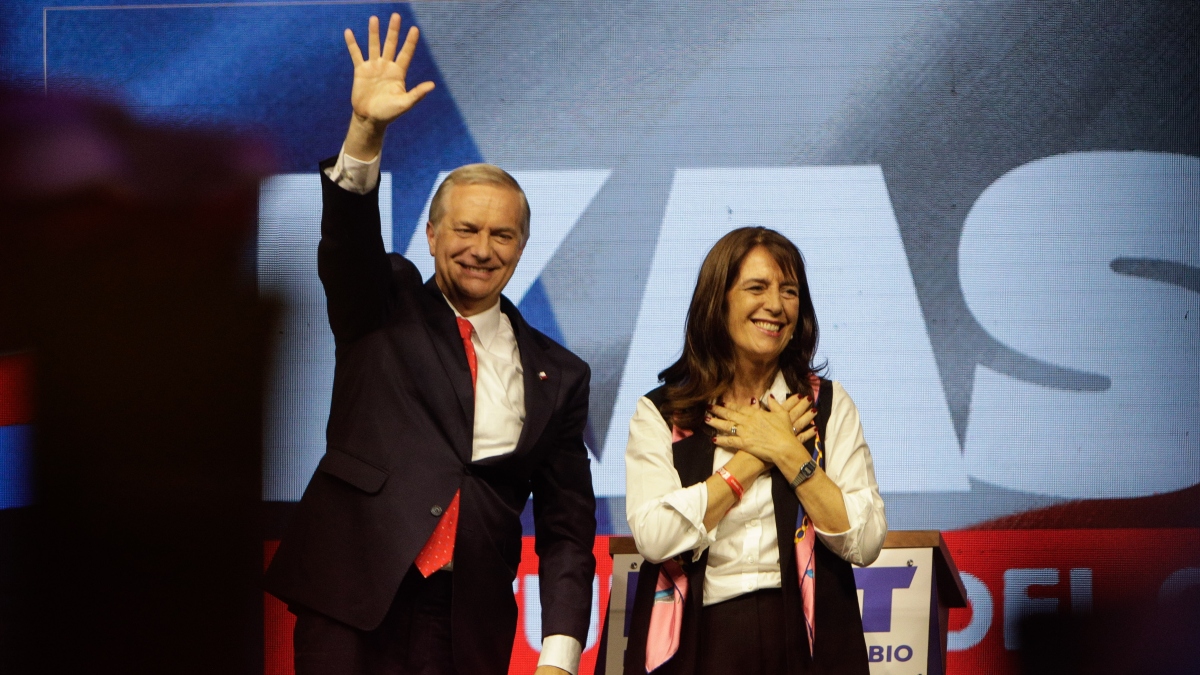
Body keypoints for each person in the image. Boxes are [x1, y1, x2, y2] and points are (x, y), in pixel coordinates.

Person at [263, 15, 596, 675]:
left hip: (465, 621)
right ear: (434, 234)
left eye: (502, 235)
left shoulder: (560, 374)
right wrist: (366, 131)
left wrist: (559, 653)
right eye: (466, 229)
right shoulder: (383, 303)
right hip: (353, 598)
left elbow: (566, 527)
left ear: (522, 247)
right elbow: (348, 241)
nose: (482, 249)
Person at [620, 227, 886, 674]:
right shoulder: (664, 412)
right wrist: (752, 458)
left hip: (807, 637)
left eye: (789, 291)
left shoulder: (826, 405)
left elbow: (866, 539)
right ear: (718, 301)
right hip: (702, 638)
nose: (776, 305)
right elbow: (655, 536)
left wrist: (789, 452)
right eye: (757, 288)